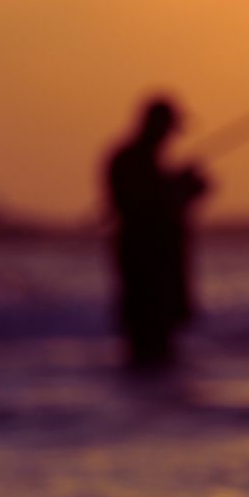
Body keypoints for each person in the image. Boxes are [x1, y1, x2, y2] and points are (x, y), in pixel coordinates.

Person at [105, 96, 209, 370]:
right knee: (149, 349)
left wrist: (181, 187)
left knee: (157, 354)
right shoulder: (129, 162)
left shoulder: (138, 163)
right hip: (148, 273)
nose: (169, 138)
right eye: (168, 129)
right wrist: (180, 188)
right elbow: (144, 208)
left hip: (159, 271)